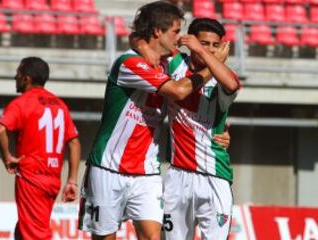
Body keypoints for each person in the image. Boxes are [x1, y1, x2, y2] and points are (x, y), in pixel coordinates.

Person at [77, 2, 226, 240]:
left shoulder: (168, 62)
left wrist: (223, 130)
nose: (180, 38)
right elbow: (178, 91)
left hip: (147, 172)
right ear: (158, 31)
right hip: (108, 168)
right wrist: (212, 65)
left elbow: (136, 36)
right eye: (176, 31)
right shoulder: (130, 63)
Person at [161, 18, 240, 239]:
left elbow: (232, 86)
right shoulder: (175, 63)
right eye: (204, 43)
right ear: (192, 41)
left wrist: (202, 52)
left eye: (216, 45)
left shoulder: (225, 76)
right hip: (178, 176)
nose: (210, 50)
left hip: (215, 177)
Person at [0, 57, 81, 240]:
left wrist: (7, 157)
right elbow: (74, 142)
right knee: (24, 229)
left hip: (32, 178)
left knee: (35, 235)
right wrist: (72, 180)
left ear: (26, 79)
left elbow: (0, 129)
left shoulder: (22, 102)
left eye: (18, 74)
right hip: (52, 180)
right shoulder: (60, 105)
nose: (15, 77)